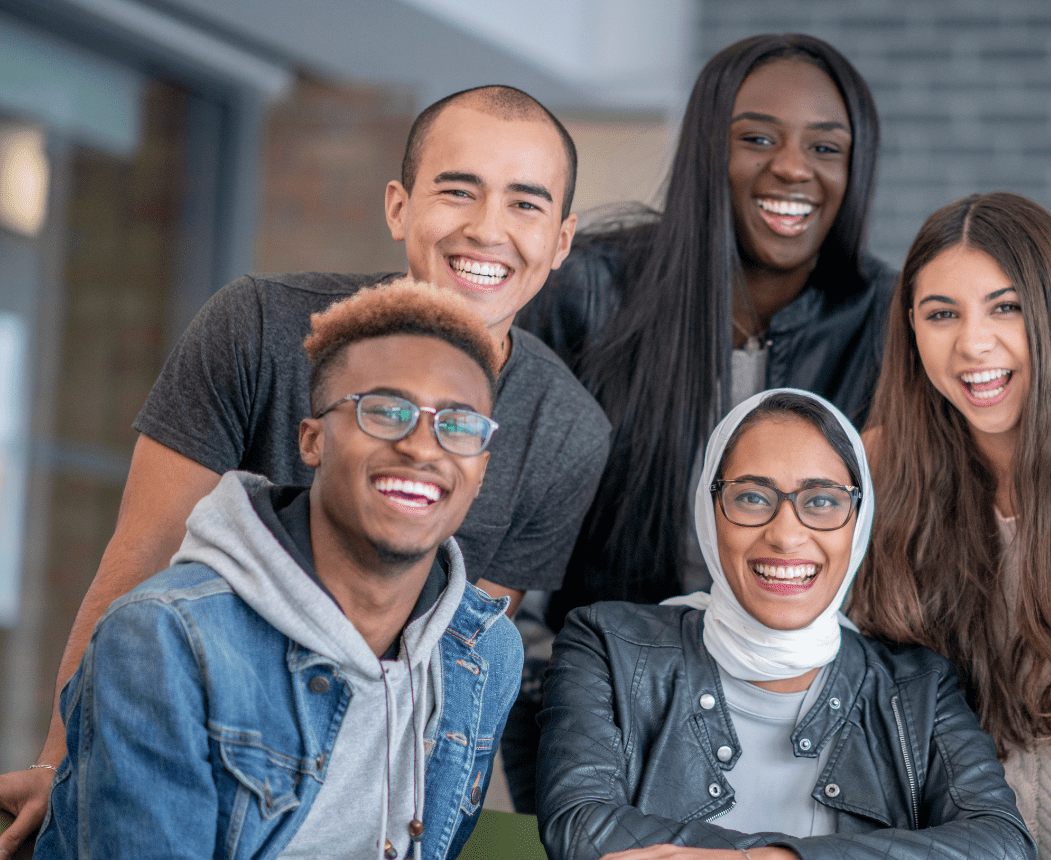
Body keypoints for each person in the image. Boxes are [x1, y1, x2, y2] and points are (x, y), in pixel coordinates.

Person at [0, 84, 611, 854]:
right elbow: (139, 560)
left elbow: (448, 661)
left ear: (560, 241)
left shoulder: (568, 432)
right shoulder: (255, 327)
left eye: (525, 205)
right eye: (458, 191)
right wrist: (63, 767)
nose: (487, 230)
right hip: (194, 737)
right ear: (398, 206)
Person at [34, 280, 526, 859]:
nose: (423, 447)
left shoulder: (483, 653)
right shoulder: (164, 640)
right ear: (313, 440)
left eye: (459, 425)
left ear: (482, 469)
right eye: (386, 412)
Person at [535, 390, 1034, 860]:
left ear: (858, 522)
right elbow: (580, 827)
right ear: (711, 513)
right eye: (752, 497)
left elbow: (1002, 844)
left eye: (822, 500)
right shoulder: (608, 646)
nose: (786, 534)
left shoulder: (918, 688)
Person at [522, 33, 894, 616]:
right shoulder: (587, 289)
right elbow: (511, 508)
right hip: (603, 674)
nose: (793, 167)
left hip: (801, 685)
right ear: (706, 149)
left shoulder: (890, 322)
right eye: (758, 139)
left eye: (825, 148)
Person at [848, 192, 1051, 857]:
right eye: (942, 314)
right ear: (911, 329)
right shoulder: (872, 470)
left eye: (1006, 308)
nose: (973, 343)